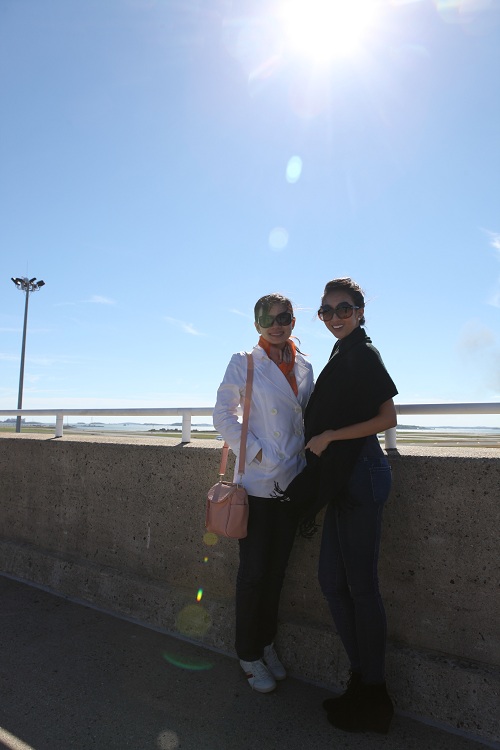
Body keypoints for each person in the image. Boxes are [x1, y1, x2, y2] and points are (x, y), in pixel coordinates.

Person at [303, 278, 398, 734]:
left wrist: (328, 437)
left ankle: (375, 694)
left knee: (362, 588)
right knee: (331, 581)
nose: (336, 316)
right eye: (327, 311)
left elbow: (387, 419)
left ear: (360, 311)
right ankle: (361, 678)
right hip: (343, 477)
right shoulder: (342, 353)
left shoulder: (363, 353)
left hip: (363, 472)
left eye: (344, 308)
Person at [213, 293, 314, 694]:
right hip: (256, 482)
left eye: (284, 317)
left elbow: (306, 416)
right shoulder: (245, 360)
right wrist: (255, 450)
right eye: (267, 318)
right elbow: (223, 413)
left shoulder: (305, 365)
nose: (277, 324)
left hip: (292, 480)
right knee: (254, 573)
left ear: (293, 320)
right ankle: (247, 653)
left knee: (276, 574)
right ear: (256, 323)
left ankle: (266, 643)